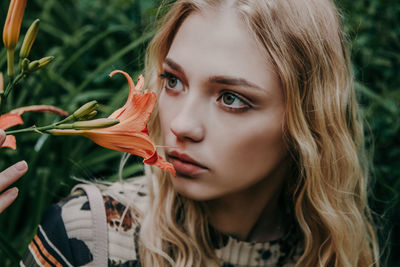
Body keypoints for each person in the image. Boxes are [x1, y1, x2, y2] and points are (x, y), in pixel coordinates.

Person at [6, 0, 380, 266]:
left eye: (231, 98)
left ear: (308, 121)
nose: (180, 124)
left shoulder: (336, 254)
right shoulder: (88, 234)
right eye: (173, 80)